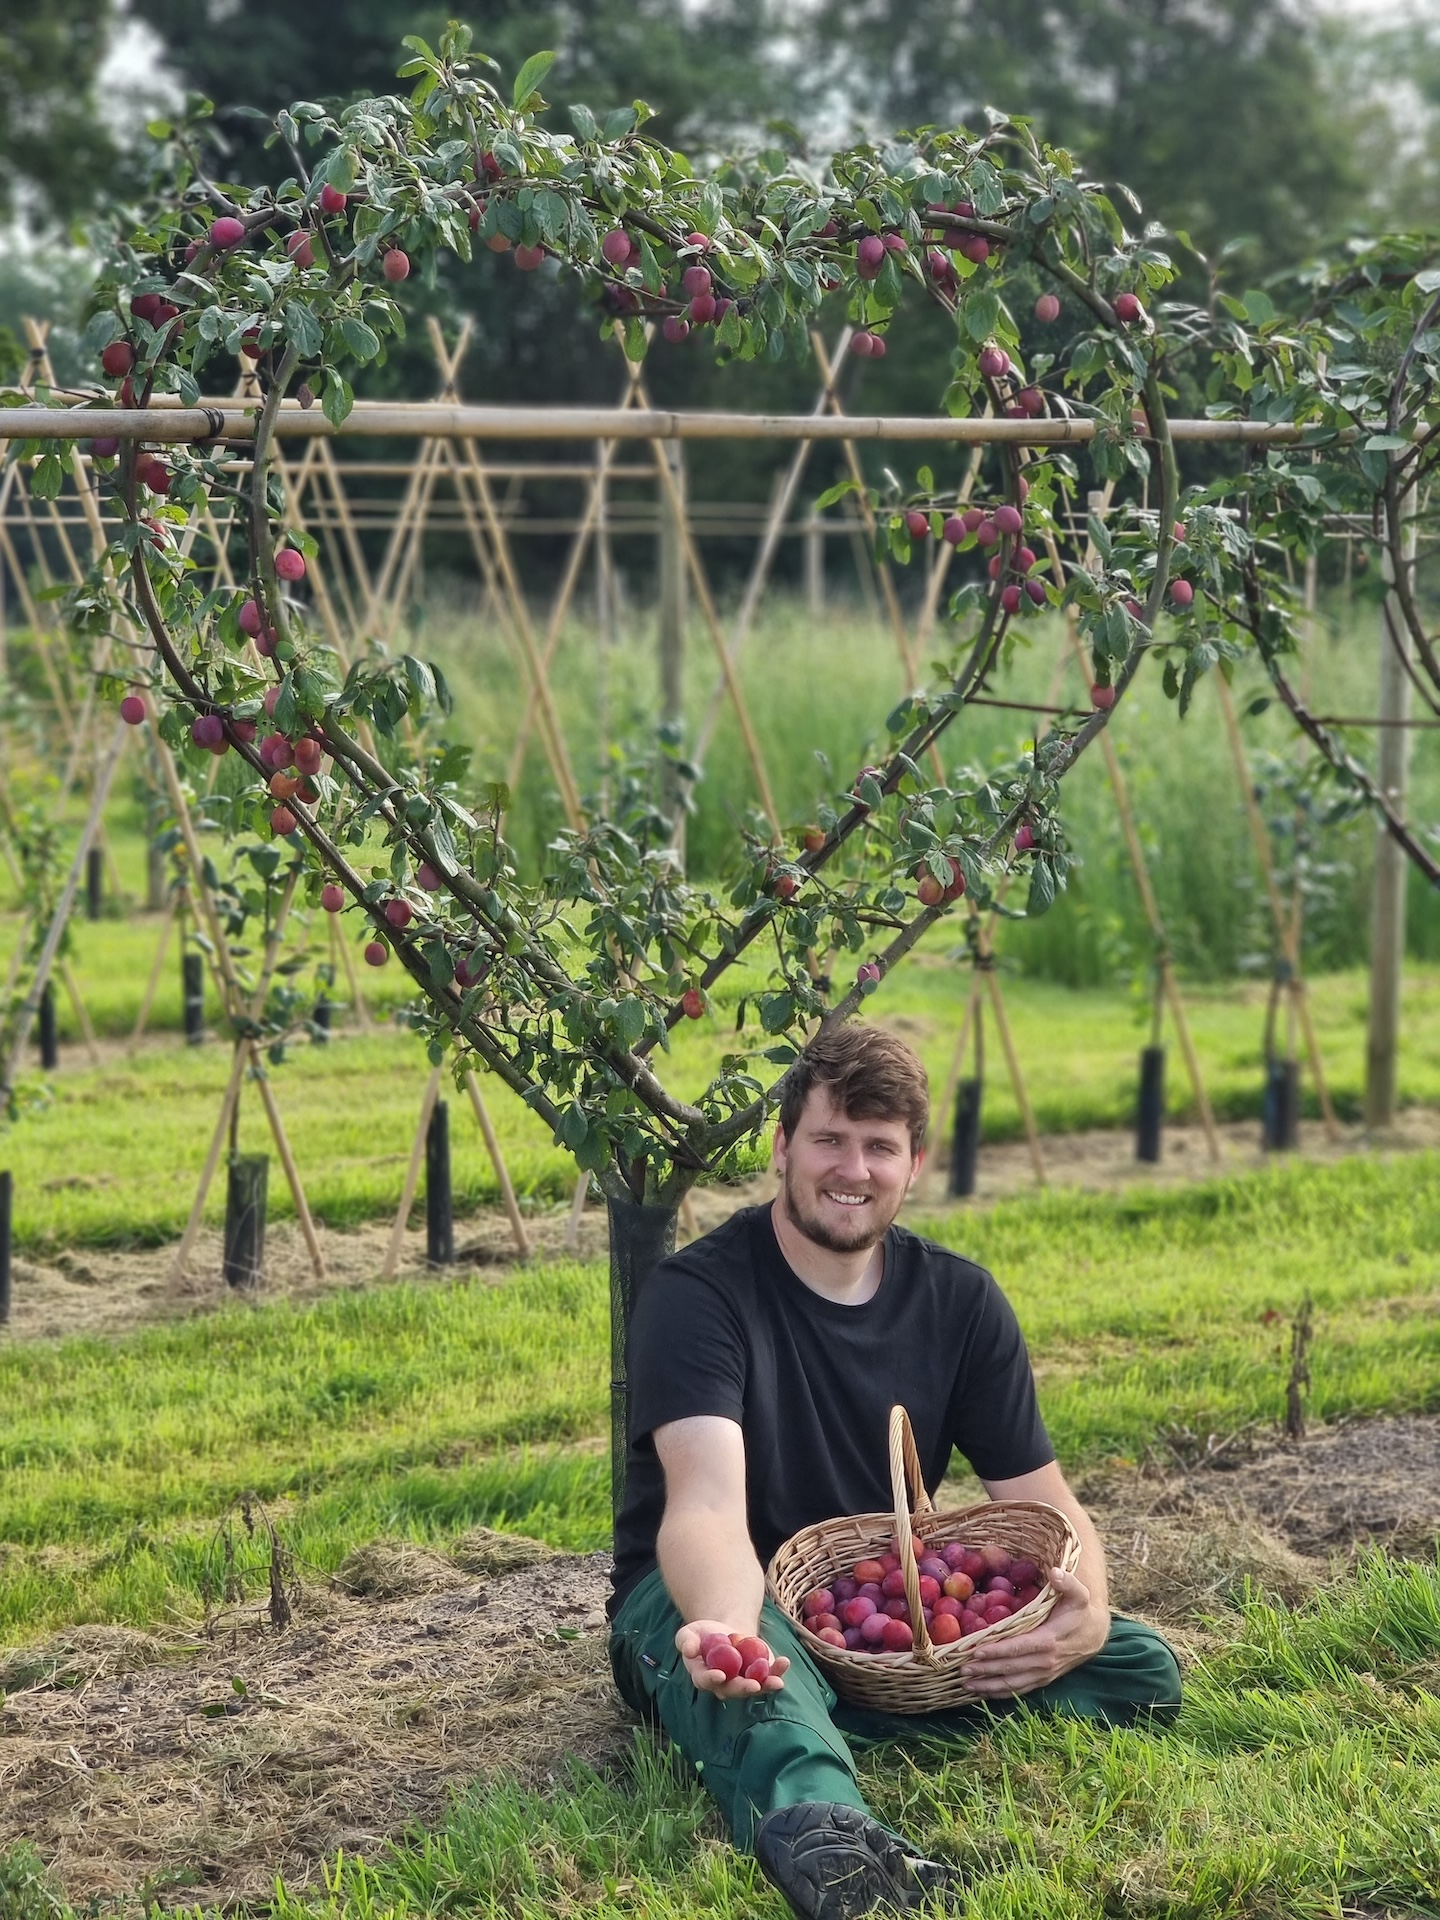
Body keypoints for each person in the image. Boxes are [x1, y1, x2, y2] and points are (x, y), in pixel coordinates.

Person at [607, 1020, 1181, 1919]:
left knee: (1137, 1664)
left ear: (916, 1162)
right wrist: (728, 1631)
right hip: (706, 1593)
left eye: (880, 1147)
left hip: (878, 1613)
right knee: (765, 1682)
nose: (853, 1170)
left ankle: (846, 1714)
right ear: (783, 1145)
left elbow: (1042, 1503)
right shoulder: (698, 1296)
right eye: (830, 1139)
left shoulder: (960, 1300)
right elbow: (707, 1506)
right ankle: (833, 1840)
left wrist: (1091, 1615)